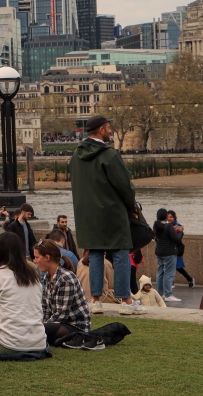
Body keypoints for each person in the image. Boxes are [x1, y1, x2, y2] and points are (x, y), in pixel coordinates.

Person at [69, 113, 139, 315]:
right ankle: (125, 300)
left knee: (96, 254)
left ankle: (96, 300)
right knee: (120, 253)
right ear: (101, 130)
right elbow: (124, 185)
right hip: (112, 213)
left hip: (88, 216)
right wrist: (131, 205)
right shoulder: (109, 155)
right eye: (108, 128)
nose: (110, 131)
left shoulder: (76, 156)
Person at [33, 240, 91, 345]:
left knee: (35, 331)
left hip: (75, 327)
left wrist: (41, 327)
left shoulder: (66, 278)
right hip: (58, 324)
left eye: (37, 257)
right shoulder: (47, 277)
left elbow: (62, 314)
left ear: (47, 257)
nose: (34, 261)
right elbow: (45, 308)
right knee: (33, 327)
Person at [153, 208, 182, 303]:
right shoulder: (168, 227)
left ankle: (160, 294)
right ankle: (168, 294)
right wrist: (181, 231)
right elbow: (176, 239)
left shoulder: (156, 225)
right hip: (169, 252)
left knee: (160, 272)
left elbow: (156, 238)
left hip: (159, 251)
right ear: (166, 217)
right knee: (169, 273)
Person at [167, 210, 194, 288]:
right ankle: (171, 282)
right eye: (168, 217)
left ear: (174, 217)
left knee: (178, 267)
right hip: (169, 249)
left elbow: (180, 232)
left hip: (177, 249)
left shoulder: (177, 225)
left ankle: (190, 279)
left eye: (171, 217)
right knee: (170, 266)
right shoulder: (166, 225)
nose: (169, 219)